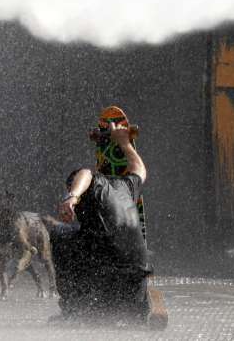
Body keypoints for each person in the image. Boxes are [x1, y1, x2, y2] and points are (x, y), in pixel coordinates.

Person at [50, 106, 160, 326]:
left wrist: (72, 197)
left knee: (60, 234)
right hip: (133, 291)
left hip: (106, 283)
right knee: (92, 238)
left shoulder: (90, 181)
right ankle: (132, 310)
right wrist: (124, 143)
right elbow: (139, 168)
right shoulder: (127, 186)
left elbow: (85, 174)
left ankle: (73, 310)